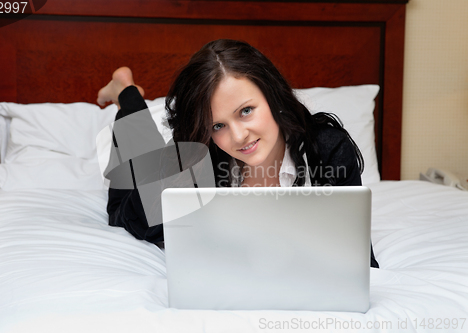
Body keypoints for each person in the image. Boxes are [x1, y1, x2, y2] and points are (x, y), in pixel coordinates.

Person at [98, 39, 379, 268]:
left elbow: (361, 259)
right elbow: (136, 221)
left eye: (246, 111)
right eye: (218, 125)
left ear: (272, 96)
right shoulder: (200, 158)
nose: (238, 136)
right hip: (155, 192)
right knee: (127, 194)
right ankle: (126, 90)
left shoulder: (326, 149)